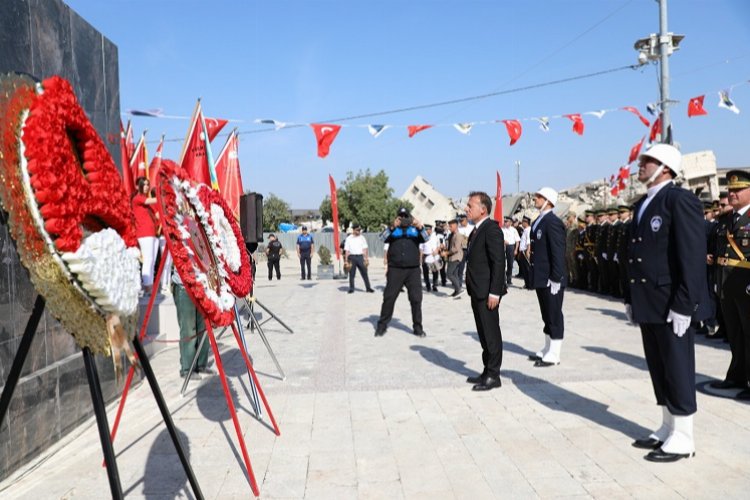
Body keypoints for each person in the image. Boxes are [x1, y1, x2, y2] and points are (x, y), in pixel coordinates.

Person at [625, 143, 708, 463]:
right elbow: (635, 255)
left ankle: (684, 435)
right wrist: (630, 297)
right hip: (648, 300)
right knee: (658, 366)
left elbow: (691, 255)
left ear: (666, 167)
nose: (641, 165)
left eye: (648, 161)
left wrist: (685, 303)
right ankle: (667, 425)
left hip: (671, 302)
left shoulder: (679, 199)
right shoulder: (643, 204)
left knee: (677, 367)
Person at [711, 170, 750, 399]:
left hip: (746, 285)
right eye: (730, 190)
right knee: (735, 333)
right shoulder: (727, 220)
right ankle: (736, 375)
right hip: (727, 285)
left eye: (738, 190)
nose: (732, 194)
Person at [464, 191, 506, 391]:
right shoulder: (475, 230)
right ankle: (487, 370)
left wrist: (494, 292)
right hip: (477, 290)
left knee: (491, 333)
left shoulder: (491, 229)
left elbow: (499, 262)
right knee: (483, 333)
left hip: (487, 293)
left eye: (470, 205)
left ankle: (494, 375)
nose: (466, 208)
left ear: (483, 209)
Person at [527, 187, 567, 367]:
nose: (535, 199)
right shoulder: (540, 220)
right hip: (541, 276)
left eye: (539, 197)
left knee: (554, 313)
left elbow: (558, 252)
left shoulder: (552, 222)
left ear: (548, 201)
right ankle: (547, 347)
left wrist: (556, 278)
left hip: (551, 278)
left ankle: (555, 352)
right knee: (546, 313)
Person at [375, 208, 428, 337]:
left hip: (413, 270)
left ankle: (418, 328)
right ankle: (382, 326)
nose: (403, 219)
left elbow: (426, 238)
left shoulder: (415, 230)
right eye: (401, 216)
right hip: (395, 269)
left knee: (416, 299)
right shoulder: (393, 230)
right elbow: (381, 238)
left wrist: (420, 226)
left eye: (406, 216)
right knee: (389, 298)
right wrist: (392, 226)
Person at [172, 267, 214, 379]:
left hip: (202, 284)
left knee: (203, 327)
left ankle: (201, 364)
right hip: (184, 284)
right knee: (188, 328)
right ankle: (187, 368)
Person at [131, 177, 159, 296]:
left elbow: (156, 214)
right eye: (145, 184)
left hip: (152, 233)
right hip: (144, 233)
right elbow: (151, 201)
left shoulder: (146, 202)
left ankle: (150, 286)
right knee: (148, 260)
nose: (147, 187)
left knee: (151, 261)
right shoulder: (138, 199)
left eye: (148, 184)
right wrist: (164, 196)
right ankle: (147, 287)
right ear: (138, 186)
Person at [344, 223, 374, 293]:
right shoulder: (349, 239)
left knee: (364, 273)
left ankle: (368, 288)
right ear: (353, 230)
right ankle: (351, 288)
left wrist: (366, 258)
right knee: (352, 274)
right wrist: (346, 260)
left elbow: (365, 248)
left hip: (360, 257)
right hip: (352, 257)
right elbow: (347, 250)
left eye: (359, 230)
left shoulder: (362, 238)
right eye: (357, 230)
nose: (359, 231)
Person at [445, 218, 466, 298]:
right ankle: (457, 292)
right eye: (449, 226)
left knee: (449, 274)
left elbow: (456, 249)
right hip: (451, 257)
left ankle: (459, 290)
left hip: (456, 257)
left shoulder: (458, 235)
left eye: (451, 226)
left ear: (456, 226)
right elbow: (450, 245)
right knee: (455, 274)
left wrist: (446, 253)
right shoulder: (451, 234)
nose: (449, 228)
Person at [420, 224, 440, 292]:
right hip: (425, 255)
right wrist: (420, 259)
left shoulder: (435, 236)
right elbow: (421, 249)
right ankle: (428, 285)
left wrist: (436, 251)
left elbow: (438, 245)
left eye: (427, 230)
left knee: (435, 271)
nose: (426, 231)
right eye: (425, 230)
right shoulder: (422, 237)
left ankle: (434, 285)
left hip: (433, 256)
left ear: (431, 230)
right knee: (425, 272)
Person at [501, 216, 520, 285]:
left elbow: (517, 241)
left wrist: (516, 250)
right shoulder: (502, 229)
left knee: (510, 264)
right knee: (502, 263)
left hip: (511, 247)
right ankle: (503, 279)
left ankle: (509, 279)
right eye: (504, 221)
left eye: (506, 221)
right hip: (503, 246)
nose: (505, 223)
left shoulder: (514, 230)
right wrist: (503, 240)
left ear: (511, 222)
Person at [518, 216, 532, 289]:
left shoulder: (528, 230)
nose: (522, 223)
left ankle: (530, 284)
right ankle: (527, 283)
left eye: (523, 221)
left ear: (526, 222)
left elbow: (529, 241)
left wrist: (528, 251)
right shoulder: (525, 230)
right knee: (524, 269)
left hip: (526, 251)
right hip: (522, 251)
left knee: (527, 269)